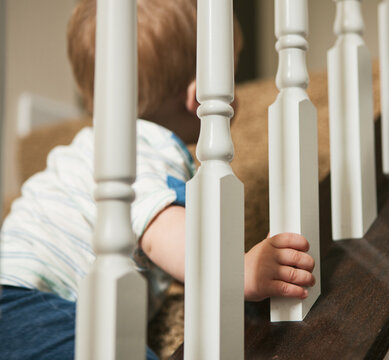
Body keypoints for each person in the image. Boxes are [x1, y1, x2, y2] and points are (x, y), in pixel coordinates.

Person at [0, 0, 316, 359]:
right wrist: (238, 269)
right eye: (233, 75)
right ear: (200, 95)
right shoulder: (146, 148)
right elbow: (158, 228)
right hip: (28, 305)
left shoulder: (96, 146)